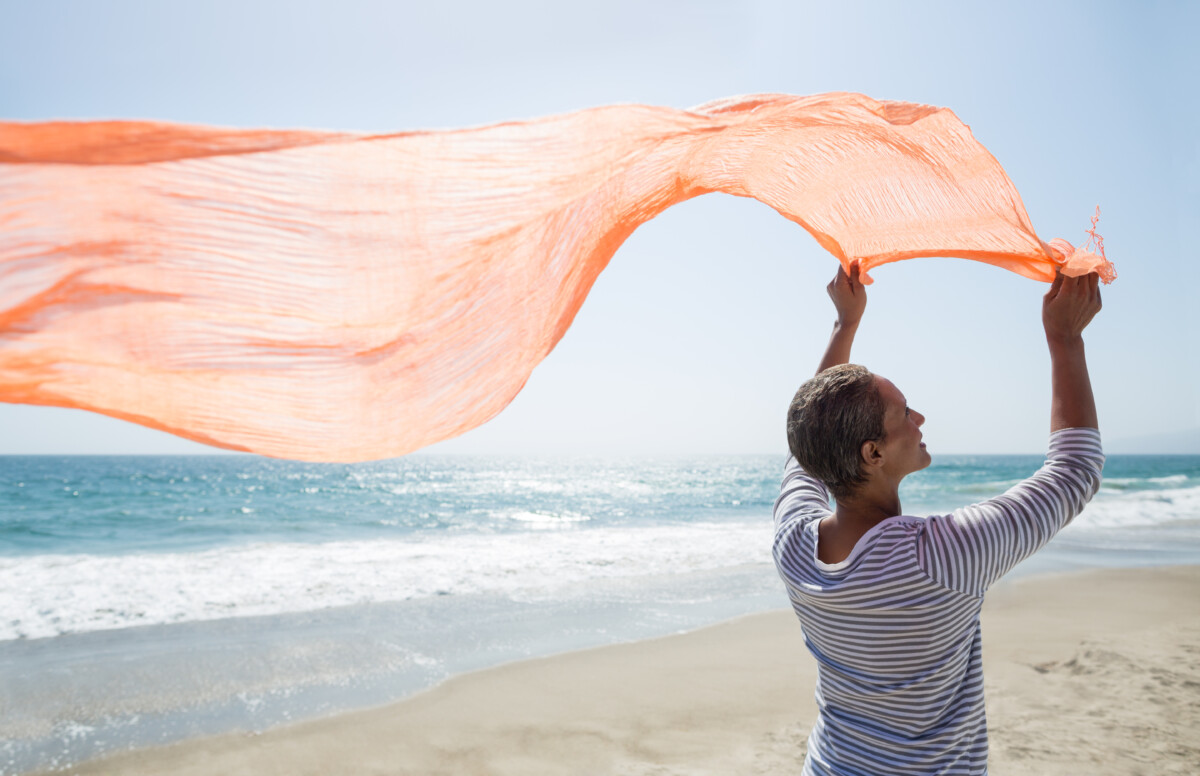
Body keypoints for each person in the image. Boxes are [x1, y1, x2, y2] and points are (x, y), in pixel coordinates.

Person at [773, 262, 1105, 775]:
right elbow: (1074, 470)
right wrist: (1065, 338)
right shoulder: (941, 557)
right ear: (873, 453)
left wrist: (844, 325)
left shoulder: (793, 544)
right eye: (903, 412)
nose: (919, 418)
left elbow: (807, 446)